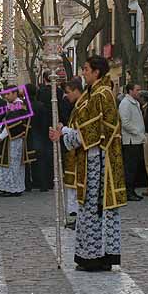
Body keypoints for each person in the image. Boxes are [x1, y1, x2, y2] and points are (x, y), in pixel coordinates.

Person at [49, 55, 126, 272]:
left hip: (100, 162)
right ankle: (90, 255)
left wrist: (64, 133)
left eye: (86, 69)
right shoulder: (91, 94)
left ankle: (98, 257)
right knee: (89, 209)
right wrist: (64, 132)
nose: (83, 72)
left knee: (96, 208)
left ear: (97, 72)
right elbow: (82, 124)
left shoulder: (103, 94)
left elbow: (98, 130)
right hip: (89, 158)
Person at [0, 88, 32, 197]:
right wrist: (0, 127)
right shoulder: (15, 105)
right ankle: (10, 187)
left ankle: (13, 189)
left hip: (14, 139)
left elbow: (13, 123)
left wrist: (1, 136)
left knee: (13, 164)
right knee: (11, 164)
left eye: (8, 94)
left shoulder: (18, 105)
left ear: (15, 93)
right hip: (12, 139)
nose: (6, 96)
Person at [62, 80, 84, 228]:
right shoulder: (76, 106)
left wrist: (63, 130)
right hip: (72, 154)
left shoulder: (83, 106)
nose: (66, 95)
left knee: (77, 187)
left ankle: (77, 216)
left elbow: (82, 134)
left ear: (76, 90)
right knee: (71, 187)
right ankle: (73, 215)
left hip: (80, 155)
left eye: (68, 92)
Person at [119, 83, 145, 202]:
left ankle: (131, 189)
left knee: (134, 167)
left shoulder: (135, 103)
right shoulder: (125, 104)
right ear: (130, 91)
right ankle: (128, 191)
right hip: (130, 141)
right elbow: (125, 123)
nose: (139, 92)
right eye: (137, 89)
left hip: (136, 140)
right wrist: (138, 132)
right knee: (130, 167)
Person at [24, 83, 49, 192]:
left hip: (26, 135)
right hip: (39, 134)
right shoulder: (40, 105)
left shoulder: (23, 105)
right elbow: (45, 123)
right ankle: (43, 184)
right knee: (41, 161)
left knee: (26, 161)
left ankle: (28, 184)